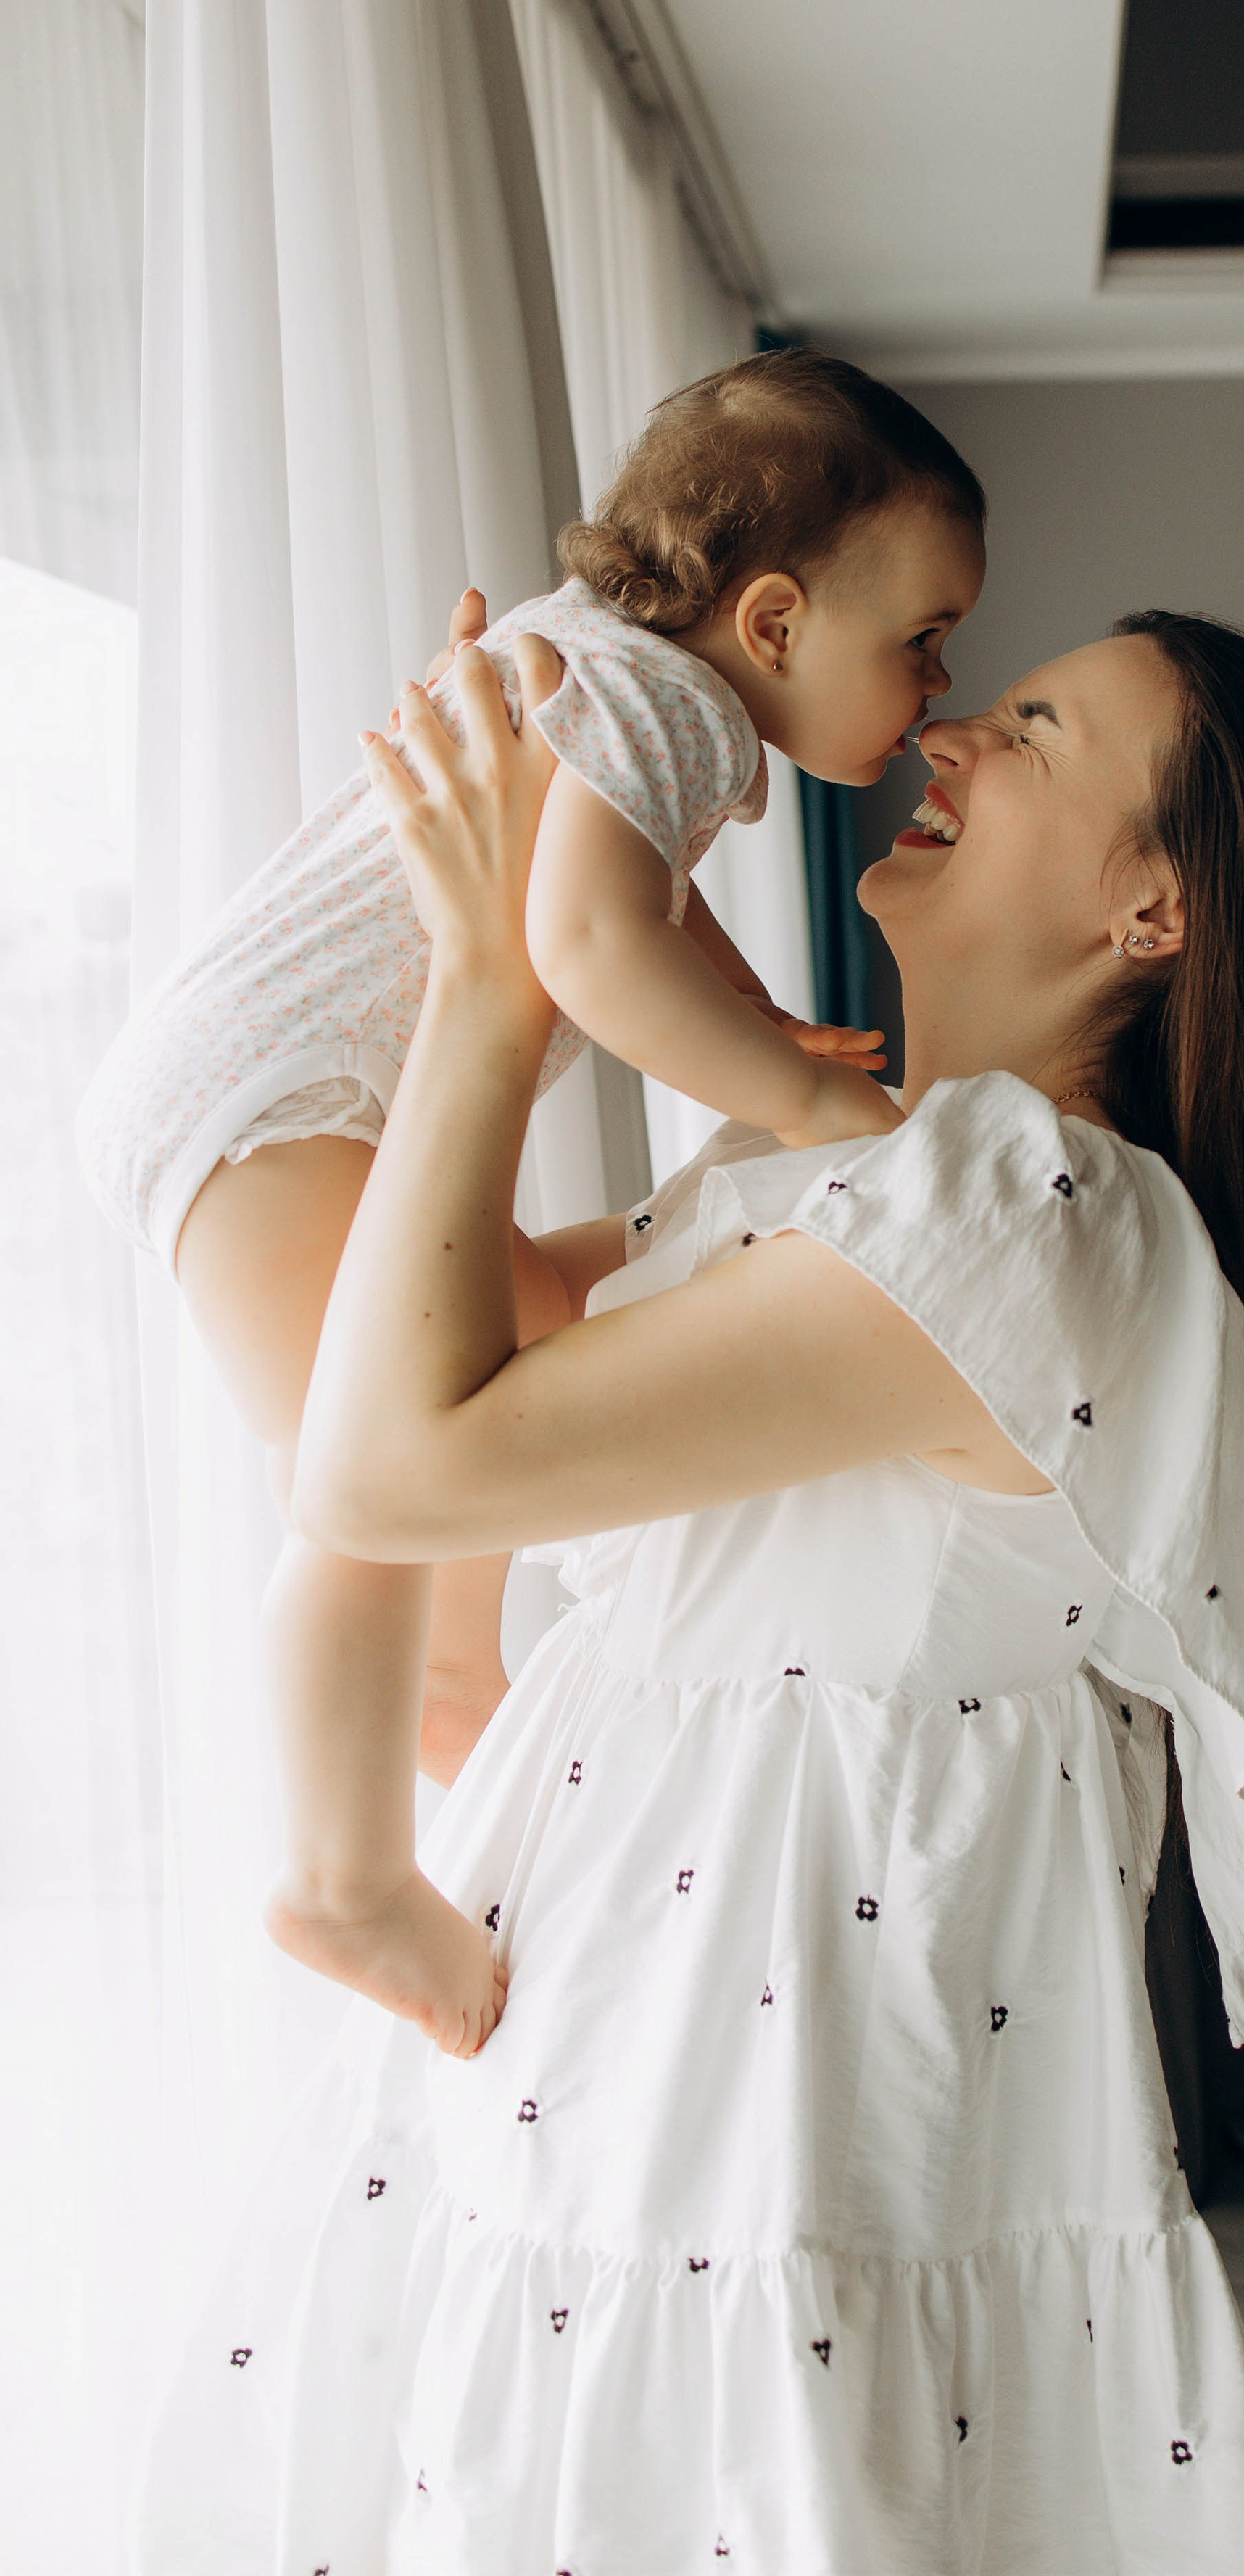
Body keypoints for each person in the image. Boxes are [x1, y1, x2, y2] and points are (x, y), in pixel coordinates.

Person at [134, 600, 1244, 2573]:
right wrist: (384, 916)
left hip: (747, 2163)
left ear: (1155, 912)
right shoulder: (799, 1186)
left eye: (1028, 729)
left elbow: (389, 1464)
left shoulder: (1037, 1210)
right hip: (595, 2096)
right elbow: (362, 1350)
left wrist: (488, 994)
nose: (947, 739)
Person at [76, 350, 984, 2060]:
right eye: (920, 638)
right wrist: (802, 1097)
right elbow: (581, 944)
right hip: (272, 1114)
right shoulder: (672, 707)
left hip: (241, 1094)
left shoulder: (629, 676)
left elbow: (615, 894)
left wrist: (756, 1015)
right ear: (776, 619)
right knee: (369, 1477)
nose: (941, 683)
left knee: (527, 1359)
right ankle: (341, 1869)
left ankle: (455, 1688)